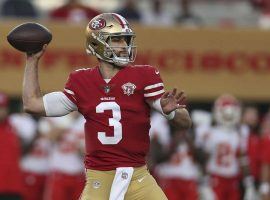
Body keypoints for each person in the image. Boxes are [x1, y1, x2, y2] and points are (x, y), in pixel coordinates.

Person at [22, 13, 191, 200]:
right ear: (96, 44)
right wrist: (32, 60)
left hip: (139, 177)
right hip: (99, 178)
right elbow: (32, 104)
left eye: (126, 40)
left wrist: (171, 113)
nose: (124, 46)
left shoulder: (145, 75)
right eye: (117, 39)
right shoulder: (81, 81)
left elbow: (185, 123)